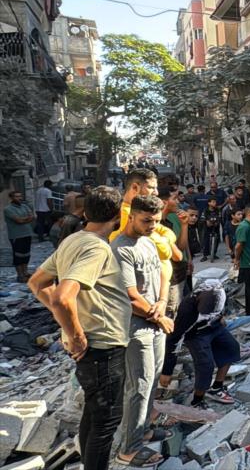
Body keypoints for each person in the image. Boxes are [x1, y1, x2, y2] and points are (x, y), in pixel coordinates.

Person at [27, 187, 129, 470]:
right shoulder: (96, 247)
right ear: (118, 215)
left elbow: (37, 283)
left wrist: (68, 324)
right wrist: (75, 334)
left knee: (94, 416)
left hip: (94, 346)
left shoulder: (74, 240)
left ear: (85, 213)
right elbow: (61, 296)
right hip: (102, 346)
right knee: (106, 420)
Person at [112, 195, 173, 468]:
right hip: (136, 328)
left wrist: (161, 303)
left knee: (152, 381)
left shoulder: (148, 241)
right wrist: (157, 316)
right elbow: (130, 296)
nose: (151, 226)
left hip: (155, 320)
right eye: (146, 220)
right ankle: (129, 449)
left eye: (156, 221)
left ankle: (144, 430)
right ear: (132, 216)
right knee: (139, 386)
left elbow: (162, 271)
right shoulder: (120, 249)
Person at [160, 280, 240, 408]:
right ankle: (196, 401)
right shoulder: (186, 311)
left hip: (215, 327)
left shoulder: (219, 290)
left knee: (231, 348)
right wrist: (167, 371)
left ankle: (217, 388)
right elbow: (174, 340)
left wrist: (220, 318)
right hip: (196, 335)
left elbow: (223, 307)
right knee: (205, 365)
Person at [4, 190, 35, 282]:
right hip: (16, 235)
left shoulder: (24, 206)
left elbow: (32, 217)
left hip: (27, 233)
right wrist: (26, 219)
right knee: (18, 256)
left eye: (20, 196)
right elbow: (18, 221)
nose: (19, 198)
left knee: (26, 254)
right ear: (11, 198)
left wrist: (24, 219)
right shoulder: (8, 209)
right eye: (17, 196)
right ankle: (20, 275)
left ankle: (25, 272)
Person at [201, 197, 222, 261]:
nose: (214, 203)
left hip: (216, 227)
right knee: (206, 241)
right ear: (209, 203)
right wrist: (206, 221)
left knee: (216, 240)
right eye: (213, 202)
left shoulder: (217, 210)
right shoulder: (205, 210)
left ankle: (214, 254)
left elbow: (220, 217)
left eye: (215, 202)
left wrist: (217, 222)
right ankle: (205, 255)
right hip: (207, 227)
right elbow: (202, 218)